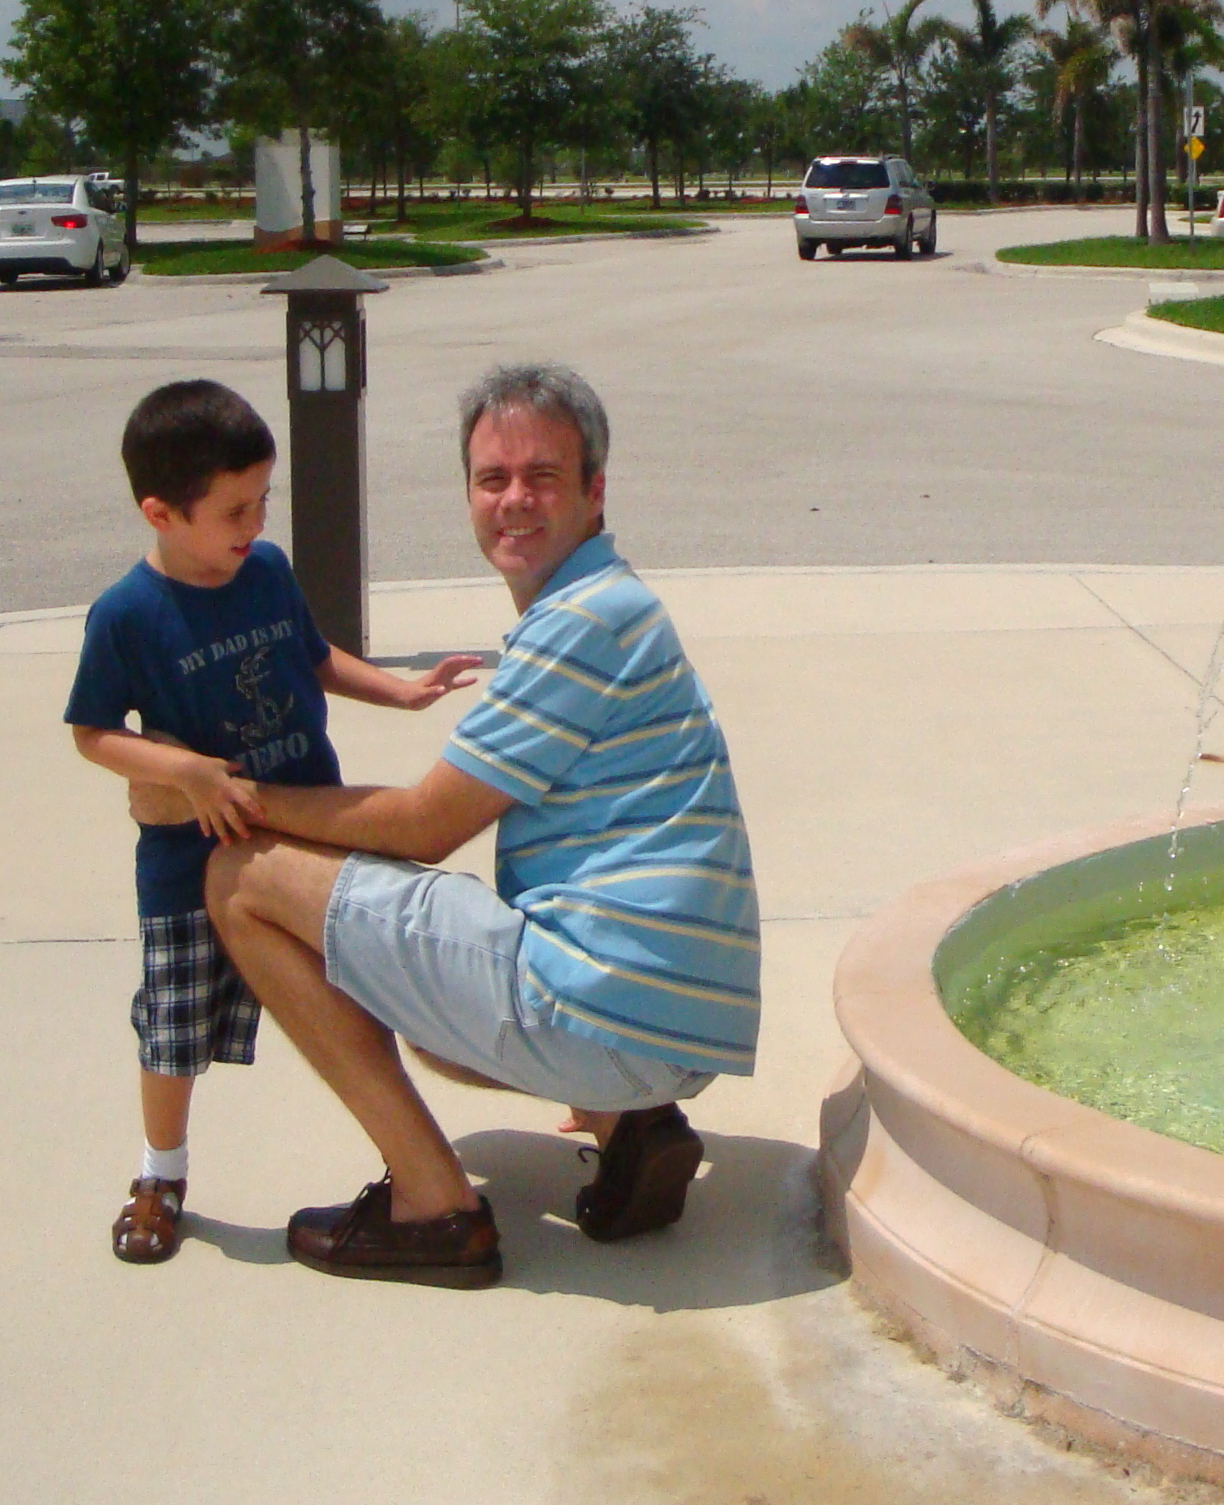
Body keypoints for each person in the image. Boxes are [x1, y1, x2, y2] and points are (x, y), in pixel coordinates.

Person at [205, 361, 759, 1290]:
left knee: (242, 879)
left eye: (543, 476)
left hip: (623, 1016)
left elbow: (423, 824)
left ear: (594, 491)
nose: (514, 500)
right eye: (492, 478)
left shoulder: (581, 623)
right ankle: (630, 1126)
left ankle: (436, 1207)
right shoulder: (613, 603)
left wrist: (226, 794)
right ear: (468, 493)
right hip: (681, 1017)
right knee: (427, 1020)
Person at [65, 379, 481, 1265]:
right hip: (187, 862)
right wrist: (183, 771)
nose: (255, 524)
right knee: (174, 1028)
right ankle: (160, 1175)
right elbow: (92, 733)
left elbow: (313, 657)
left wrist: (400, 691)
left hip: (313, 837)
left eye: (264, 500)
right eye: (234, 510)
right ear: (160, 513)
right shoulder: (126, 616)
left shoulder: (267, 572)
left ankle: (406, 1159)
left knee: (362, 1001)